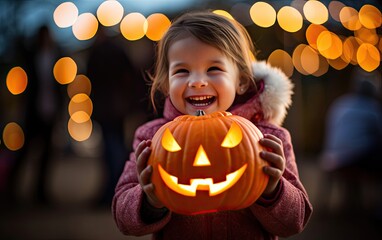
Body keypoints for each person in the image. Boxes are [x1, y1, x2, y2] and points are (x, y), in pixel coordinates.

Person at [112, 11, 313, 239]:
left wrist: (273, 190)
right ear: (166, 84)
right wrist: (150, 200)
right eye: (182, 71)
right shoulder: (150, 138)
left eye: (214, 69)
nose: (197, 81)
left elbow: (295, 221)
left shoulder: (269, 138)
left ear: (241, 81)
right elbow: (122, 215)